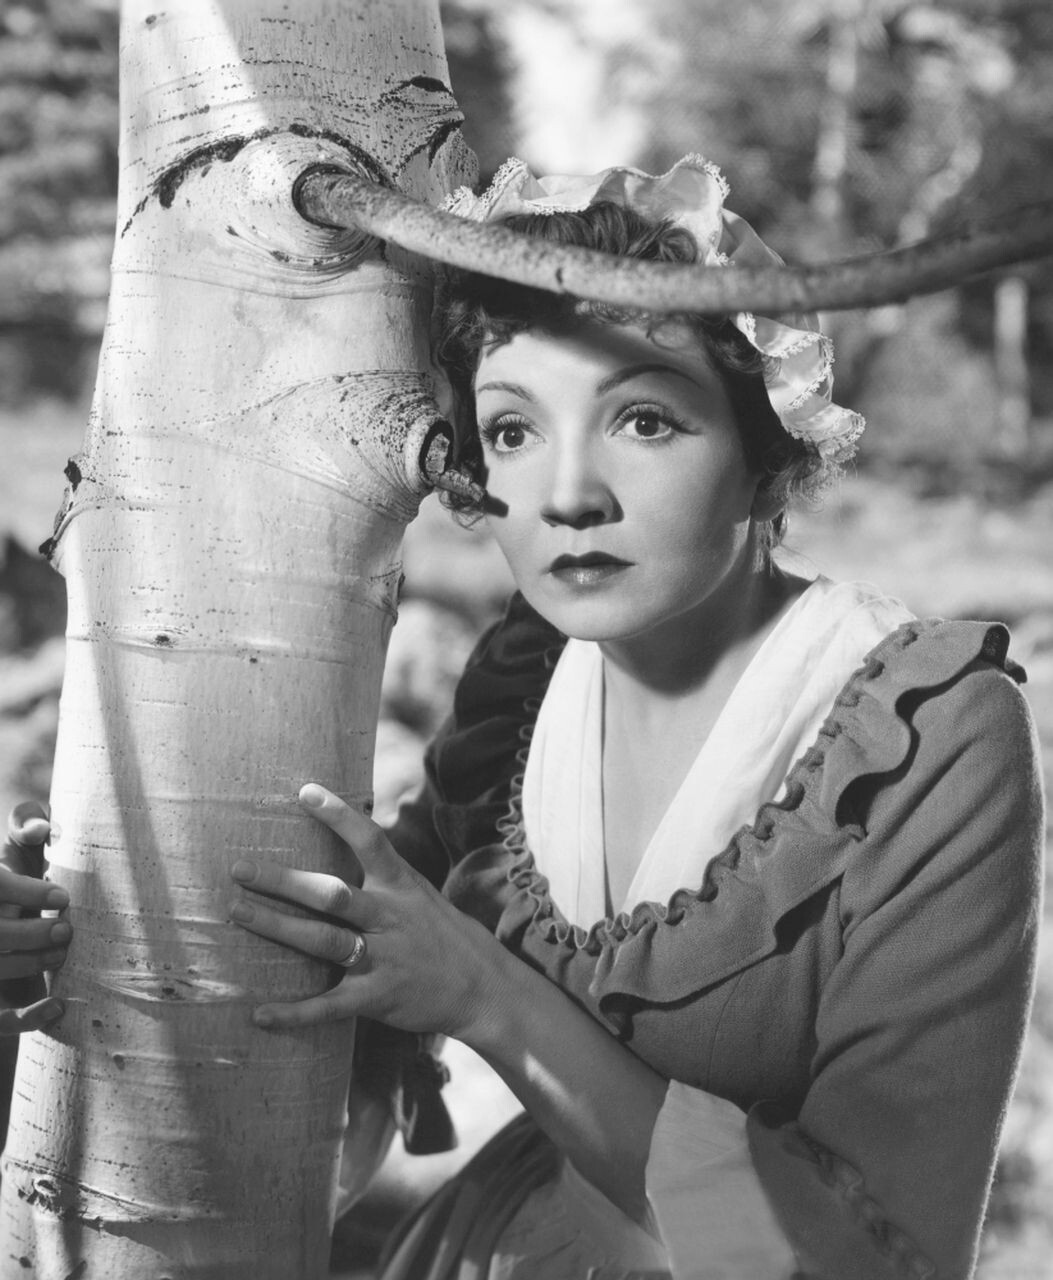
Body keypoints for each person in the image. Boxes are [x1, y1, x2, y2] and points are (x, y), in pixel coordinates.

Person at [1, 156, 1044, 1279]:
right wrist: (90, 933)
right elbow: (354, 990)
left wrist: (488, 996)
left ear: (767, 444)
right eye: (510, 431)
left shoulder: (926, 735)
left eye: (644, 419)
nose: (568, 495)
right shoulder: (529, 673)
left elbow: (876, 1264)